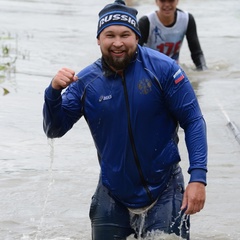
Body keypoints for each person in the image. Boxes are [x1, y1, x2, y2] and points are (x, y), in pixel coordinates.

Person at [42, 0, 208, 239]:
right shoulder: (86, 82)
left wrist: (198, 178)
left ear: (137, 37)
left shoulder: (164, 70)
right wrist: (53, 92)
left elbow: (193, 121)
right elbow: (54, 129)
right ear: (99, 39)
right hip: (113, 192)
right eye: (109, 35)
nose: (117, 43)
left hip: (165, 188)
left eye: (125, 34)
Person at [138, 0, 207, 70]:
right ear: (156, 2)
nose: (167, 4)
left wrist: (204, 71)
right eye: (163, 1)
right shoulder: (146, 22)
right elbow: (136, 52)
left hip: (173, 69)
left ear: (177, 1)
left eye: (171, 0)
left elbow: (196, 52)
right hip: (150, 68)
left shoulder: (187, 19)